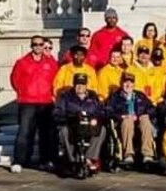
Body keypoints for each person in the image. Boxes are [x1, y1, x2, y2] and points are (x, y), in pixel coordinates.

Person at [9, 35, 58, 173]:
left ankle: (45, 160)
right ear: (31, 46)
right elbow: (15, 79)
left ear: (44, 46)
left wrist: (53, 95)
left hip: (46, 102)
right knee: (24, 132)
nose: (38, 47)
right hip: (27, 102)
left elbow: (56, 80)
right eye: (35, 44)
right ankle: (19, 161)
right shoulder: (22, 62)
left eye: (40, 44)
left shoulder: (51, 63)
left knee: (45, 134)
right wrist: (22, 92)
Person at [53, 73, 107, 173]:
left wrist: (96, 118)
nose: (80, 87)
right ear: (74, 84)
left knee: (102, 129)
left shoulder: (93, 96)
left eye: (82, 84)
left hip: (89, 125)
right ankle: (72, 159)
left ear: (86, 85)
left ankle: (90, 158)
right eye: (77, 84)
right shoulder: (66, 96)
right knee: (64, 131)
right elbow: (57, 112)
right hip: (72, 125)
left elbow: (101, 111)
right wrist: (70, 118)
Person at [106, 72, 157, 167]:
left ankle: (148, 154)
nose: (128, 85)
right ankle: (128, 154)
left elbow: (152, 109)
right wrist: (121, 116)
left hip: (139, 121)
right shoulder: (115, 97)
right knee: (127, 120)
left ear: (134, 84)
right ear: (121, 83)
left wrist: (139, 115)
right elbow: (108, 111)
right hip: (123, 122)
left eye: (130, 82)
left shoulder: (140, 96)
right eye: (125, 82)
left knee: (145, 119)